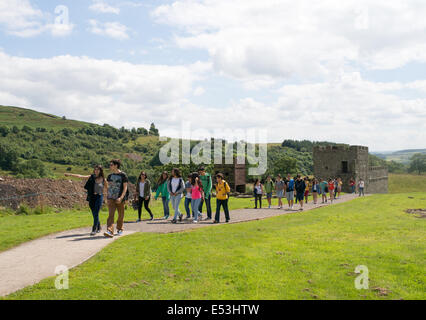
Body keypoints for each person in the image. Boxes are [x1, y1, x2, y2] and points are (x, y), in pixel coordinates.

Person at [65, 165, 107, 236]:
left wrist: (107, 197)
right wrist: (70, 174)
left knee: (96, 212)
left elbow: (107, 188)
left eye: (98, 170)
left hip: (99, 197)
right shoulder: (91, 176)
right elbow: (80, 176)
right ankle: (99, 226)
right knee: (94, 213)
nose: (96, 171)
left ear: (101, 171)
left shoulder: (103, 179)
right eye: (95, 169)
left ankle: (94, 229)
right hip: (91, 197)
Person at [104, 159, 128, 238]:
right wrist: (107, 196)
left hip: (119, 198)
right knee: (111, 215)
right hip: (111, 198)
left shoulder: (123, 175)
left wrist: (121, 197)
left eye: (111, 165)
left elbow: (125, 188)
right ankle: (110, 231)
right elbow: (108, 186)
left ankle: (120, 229)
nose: (110, 166)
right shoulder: (109, 176)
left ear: (116, 165)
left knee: (120, 215)